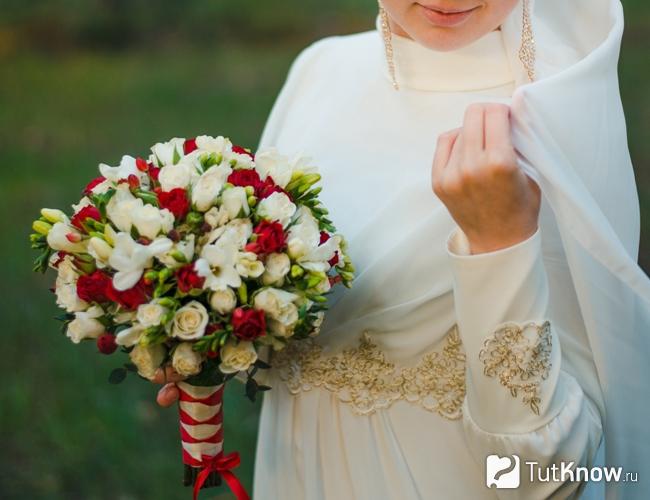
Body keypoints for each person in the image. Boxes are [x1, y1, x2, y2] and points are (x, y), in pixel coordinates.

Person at [155, 0, 650, 498]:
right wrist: (214, 332)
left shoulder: (555, 113)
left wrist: (501, 247)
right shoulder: (320, 70)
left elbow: (550, 474)